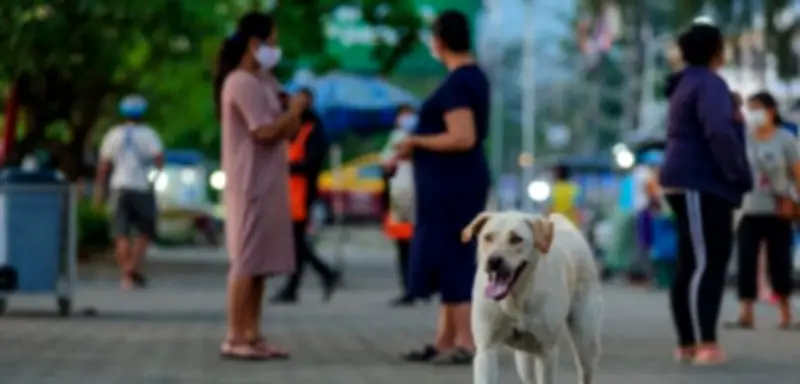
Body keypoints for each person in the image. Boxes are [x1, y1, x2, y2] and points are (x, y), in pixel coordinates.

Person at [394, 10, 491, 365]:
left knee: (454, 257)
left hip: (453, 184)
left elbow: (462, 136)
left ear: (438, 41)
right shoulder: (468, 78)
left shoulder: (459, 84)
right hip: (452, 183)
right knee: (447, 254)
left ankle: (466, 340)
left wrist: (417, 141)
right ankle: (445, 339)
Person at [213, 11, 309, 360]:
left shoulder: (265, 80)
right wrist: (293, 111)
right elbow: (264, 131)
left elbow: (287, 127)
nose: (275, 49)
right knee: (245, 259)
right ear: (254, 44)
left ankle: (253, 334)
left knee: (261, 262)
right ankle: (235, 335)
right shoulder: (240, 82)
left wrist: (294, 110)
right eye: (271, 42)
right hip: (248, 181)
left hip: (271, 181)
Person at [659, 22, 753, 365]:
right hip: (701, 182)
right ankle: (704, 343)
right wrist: (739, 173)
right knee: (706, 262)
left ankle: (688, 343)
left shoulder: (689, 83)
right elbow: (719, 133)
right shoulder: (708, 83)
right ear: (717, 51)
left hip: (687, 181)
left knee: (693, 261)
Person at [725, 91, 799, 330]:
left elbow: (797, 173)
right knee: (746, 260)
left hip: (778, 208)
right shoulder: (743, 139)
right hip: (748, 209)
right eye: (750, 108)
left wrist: (794, 200)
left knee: (780, 261)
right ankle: (746, 312)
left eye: (757, 107)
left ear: (772, 110)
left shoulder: (785, 139)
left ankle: (786, 312)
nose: (753, 113)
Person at [271, 88, 340, 304]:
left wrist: (285, 167)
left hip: (302, 193)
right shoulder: (289, 126)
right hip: (285, 191)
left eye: (302, 102)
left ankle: (320, 275)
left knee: (296, 241)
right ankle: (301, 284)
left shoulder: (314, 130)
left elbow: (311, 164)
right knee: (295, 242)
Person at [94, 94, 164, 290]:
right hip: (141, 187)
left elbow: (104, 166)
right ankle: (132, 269)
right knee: (144, 231)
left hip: (118, 187)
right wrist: (153, 177)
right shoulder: (149, 134)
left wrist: (100, 189)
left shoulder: (113, 134)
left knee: (120, 233)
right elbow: (159, 160)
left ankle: (126, 275)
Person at [380, 104, 417, 307]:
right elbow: (386, 163)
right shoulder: (395, 138)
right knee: (403, 246)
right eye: (403, 115)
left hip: (417, 199)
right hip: (399, 197)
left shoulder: (421, 138)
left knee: (416, 246)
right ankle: (408, 287)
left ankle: (417, 287)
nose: (406, 118)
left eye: (409, 114)